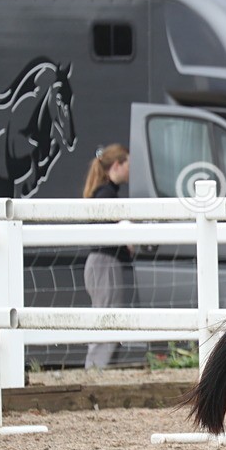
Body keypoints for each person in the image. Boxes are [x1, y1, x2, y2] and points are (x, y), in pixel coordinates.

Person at [82, 144, 133, 369]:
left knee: (107, 316)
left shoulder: (102, 192)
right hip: (106, 265)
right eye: (127, 164)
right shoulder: (107, 195)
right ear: (117, 165)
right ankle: (94, 371)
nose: (130, 170)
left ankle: (99, 369)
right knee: (107, 319)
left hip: (101, 264)